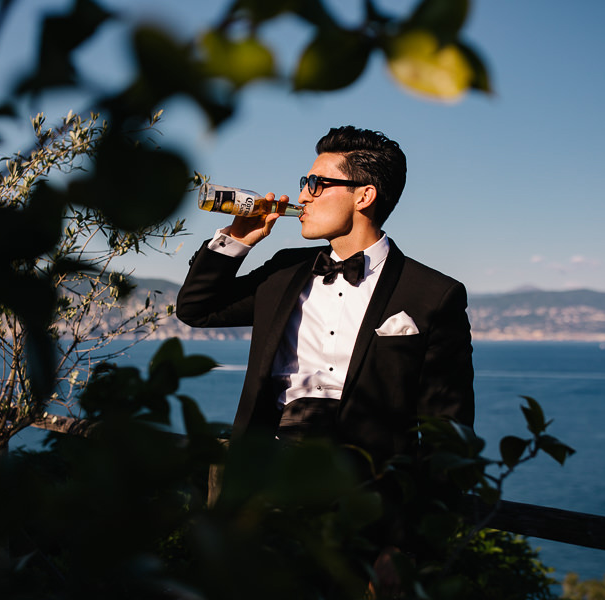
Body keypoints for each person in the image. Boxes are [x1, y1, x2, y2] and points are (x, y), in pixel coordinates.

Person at [176, 127, 475, 591]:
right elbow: (197, 309)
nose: (302, 195)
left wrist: (406, 543)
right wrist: (238, 240)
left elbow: (449, 425)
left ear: (364, 196)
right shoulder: (285, 270)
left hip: (362, 502)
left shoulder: (433, 294)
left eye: (316, 183)